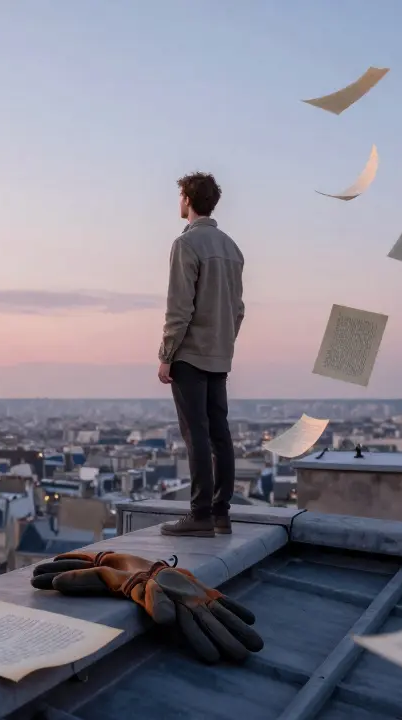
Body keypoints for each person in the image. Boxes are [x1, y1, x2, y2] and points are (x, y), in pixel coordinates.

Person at [156, 171, 245, 538]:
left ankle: (199, 514)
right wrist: (225, 342)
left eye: (180, 196)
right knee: (219, 433)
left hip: (190, 355)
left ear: (188, 200)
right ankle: (221, 512)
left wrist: (166, 354)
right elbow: (237, 309)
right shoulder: (231, 247)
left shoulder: (187, 245)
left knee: (196, 434)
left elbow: (179, 308)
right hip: (219, 354)